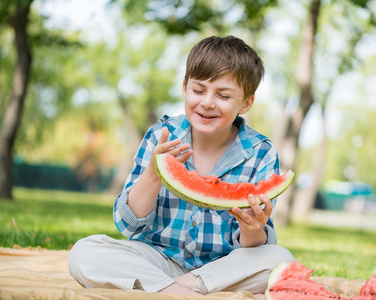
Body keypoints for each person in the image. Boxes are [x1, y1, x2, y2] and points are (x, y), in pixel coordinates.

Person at [68, 35, 294, 299]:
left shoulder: (261, 153)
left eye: (223, 95)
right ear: (184, 88)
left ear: (246, 103)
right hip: (155, 258)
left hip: (220, 268)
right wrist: (154, 174)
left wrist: (253, 229)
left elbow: (251, 248)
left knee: (281, 259)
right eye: (198, 90)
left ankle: (167, 290)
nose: (207, 102)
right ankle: (185, 293)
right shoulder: (160, 136)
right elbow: (128, 226)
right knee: (84, 251)